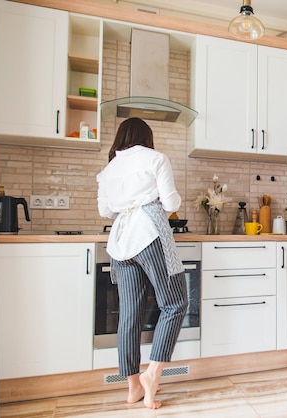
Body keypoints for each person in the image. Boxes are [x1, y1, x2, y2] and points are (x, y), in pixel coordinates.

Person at [97, 117, 187, 409]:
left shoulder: (107, 171)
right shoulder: (156, 159)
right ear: (146, 138)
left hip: (121, 241)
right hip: (149, 234)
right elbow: (172, 204)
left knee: (129, 315)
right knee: (174, 304)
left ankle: (132, 386)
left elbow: (104, 210)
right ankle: (153, 375)